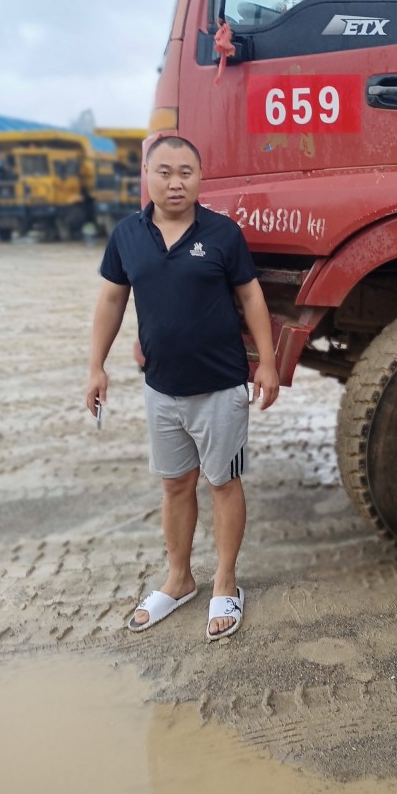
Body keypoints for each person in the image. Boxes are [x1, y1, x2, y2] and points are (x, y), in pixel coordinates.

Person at [86, 135, 280, 641]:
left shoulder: (222, 234)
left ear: (199, 178)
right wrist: (96, 366)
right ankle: (179, 578)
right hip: (161, 389)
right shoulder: (127, 235)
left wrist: (267, 363)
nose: (176, 182)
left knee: (223, 484)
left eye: (186, 172)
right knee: (174, 484)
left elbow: (251, 297)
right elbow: (112, 301)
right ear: (147, 175)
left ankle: (226, 582)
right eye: (165, 172)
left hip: (220, 388)